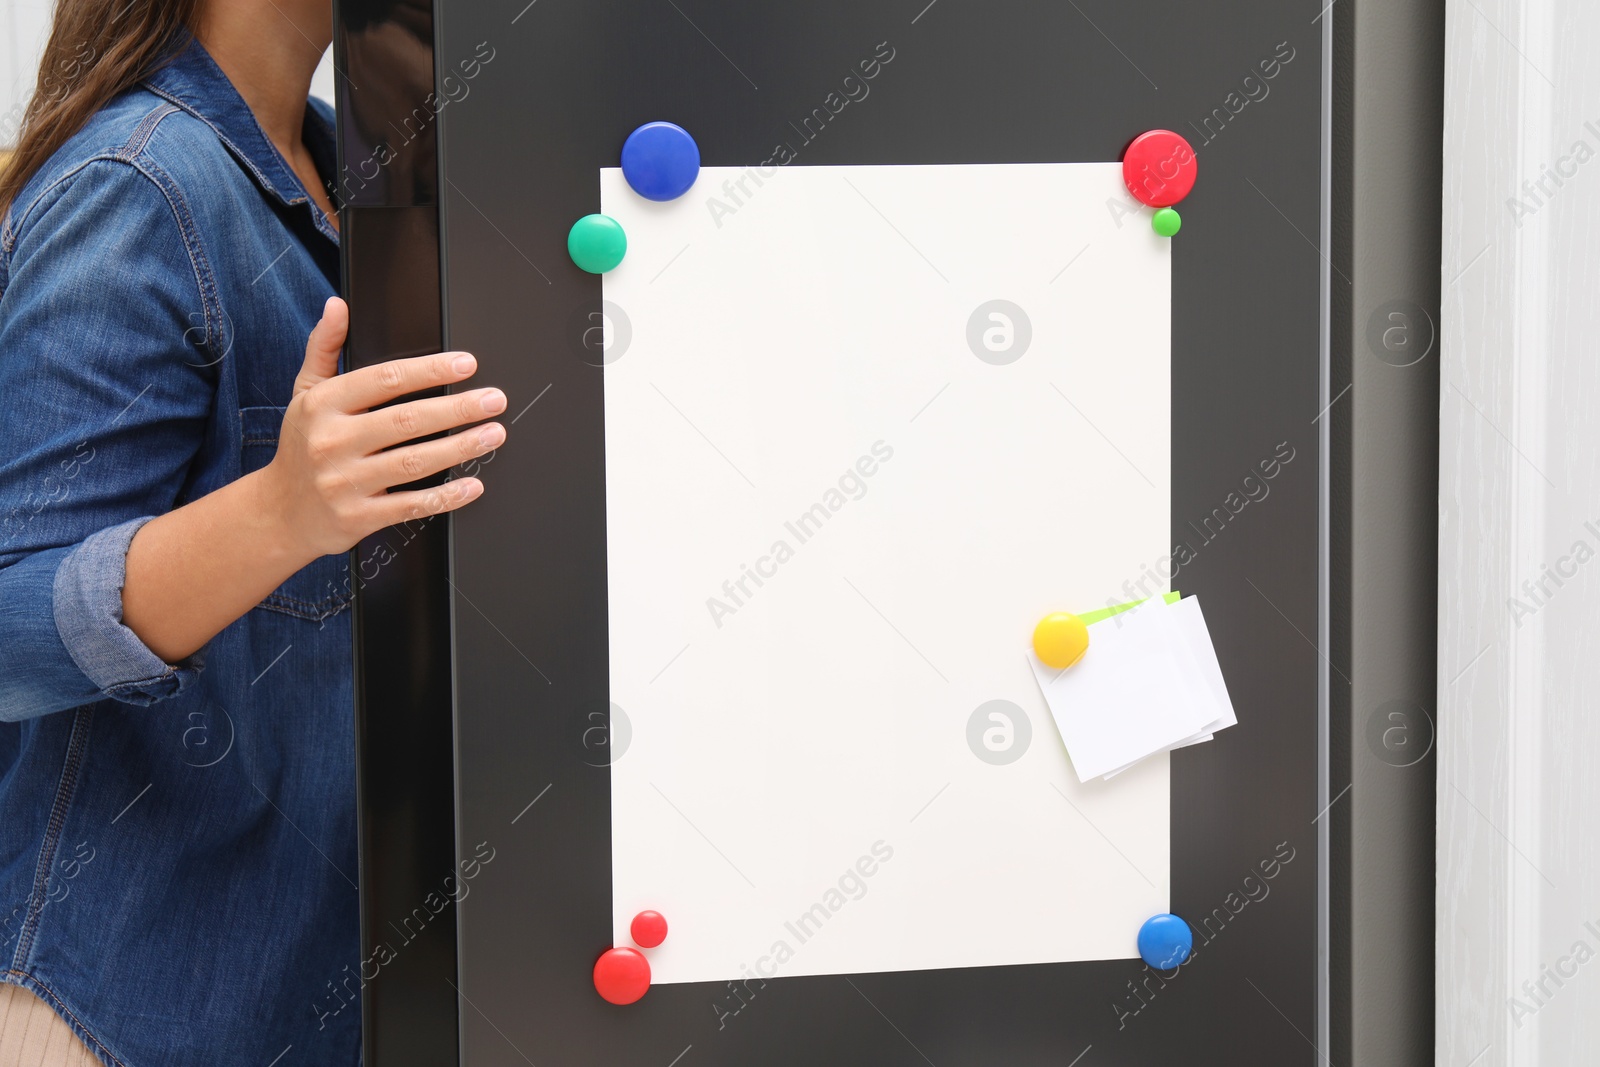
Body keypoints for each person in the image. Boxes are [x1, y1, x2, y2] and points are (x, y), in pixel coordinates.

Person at [0, 0, 504, 1060]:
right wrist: (279, 512)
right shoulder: (135, 183)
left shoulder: (352, 173)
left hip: (298, 1000)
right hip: (128, 1012)